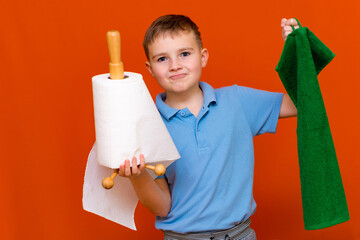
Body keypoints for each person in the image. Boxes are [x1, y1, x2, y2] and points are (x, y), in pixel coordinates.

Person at [118, 15, 299, 240]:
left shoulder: (237, 101)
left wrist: (296, 53)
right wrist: (137, 177)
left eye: (184, 54)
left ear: (203, 57)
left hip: (239, 235)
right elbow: (163, 207)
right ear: (150, 68)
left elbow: (299, 104)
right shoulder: (149, 127)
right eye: (162, 58)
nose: (175, 65)